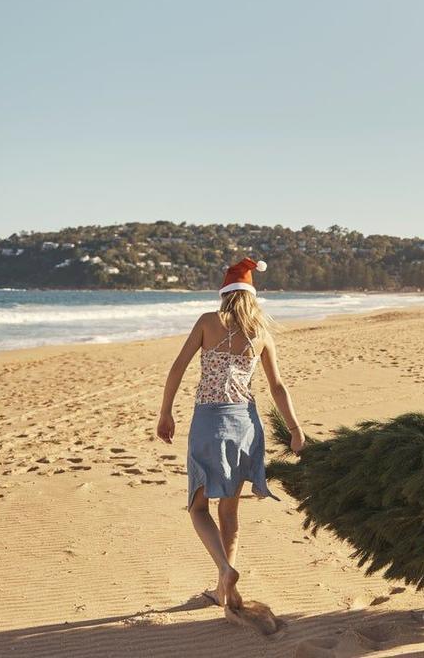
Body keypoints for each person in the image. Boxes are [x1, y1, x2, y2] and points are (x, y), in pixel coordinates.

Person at [156, 257, 305, 609]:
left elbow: (178, 367)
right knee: (230, 511)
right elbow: (278, 386)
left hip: (208, 422)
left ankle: (224, 569)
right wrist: (296, 429)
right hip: (245, 425)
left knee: (197, 507)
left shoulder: (209, 322)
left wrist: (165, 412)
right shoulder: (261, 334)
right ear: (252, 296)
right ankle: (224, 587)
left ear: (225, 294)